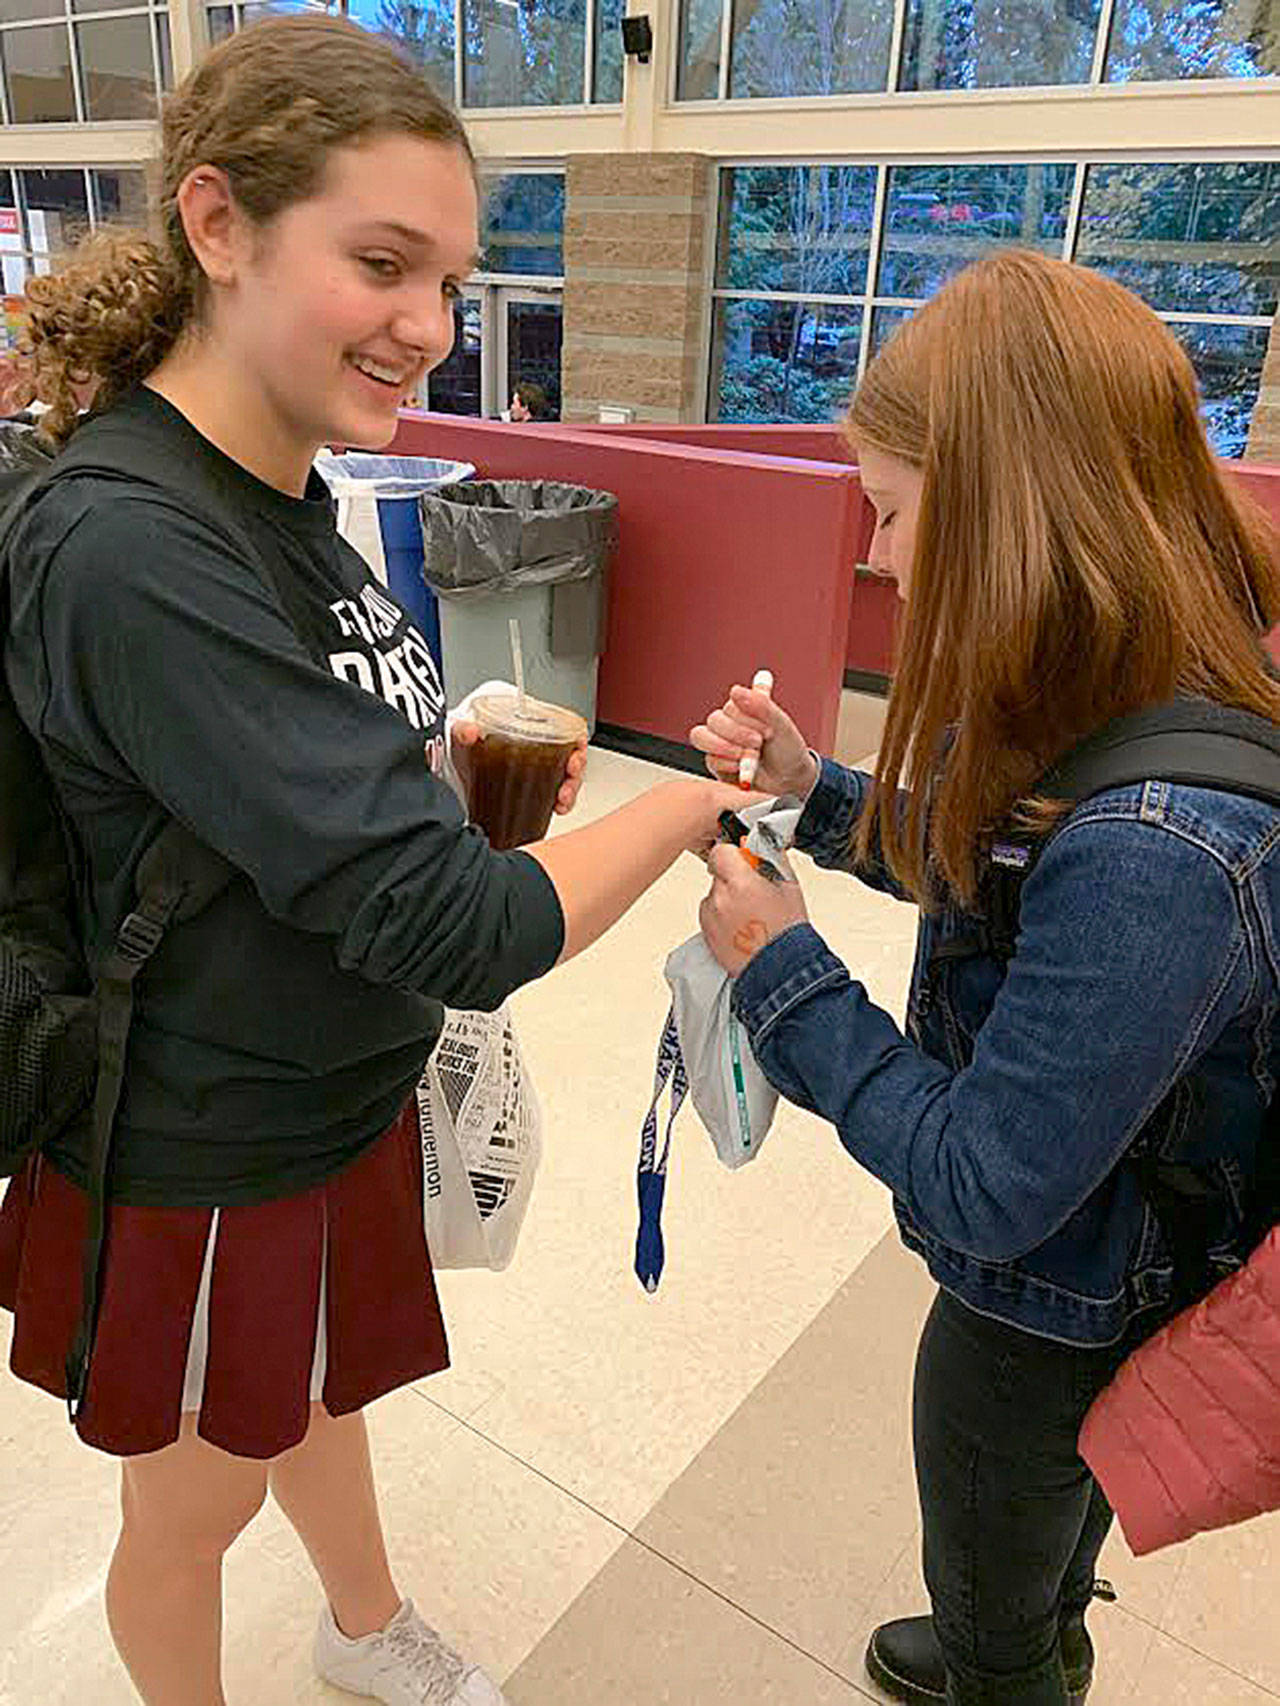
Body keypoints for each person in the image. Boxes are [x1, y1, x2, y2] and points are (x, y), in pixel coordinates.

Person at [0, 18, 745, 1706]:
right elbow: (456, 923)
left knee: (316, 1387)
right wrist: (688, 806)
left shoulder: (287, 493)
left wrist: (436, 779)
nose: (433, 325)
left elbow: (277, 793)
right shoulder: (133, 543)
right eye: (384, 263)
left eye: (452, 281)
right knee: (195, 1500)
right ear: (217, 223)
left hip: (333, 1089)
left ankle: (360, 1622)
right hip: (201, 1135)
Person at [691, 249, 1280, 1706]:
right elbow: (1003, 871)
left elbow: (985, 1180)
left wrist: (785, 975)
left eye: (893, 510)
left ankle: (1009, 1662)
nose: (882, 557)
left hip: (1057, 1307)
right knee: (1044, 1525)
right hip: (1126, 1262)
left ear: (1009, 510)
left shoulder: (1160, 849)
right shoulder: (1126, 684)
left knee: (994, 1582)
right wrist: (818, 791)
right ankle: (1034, 1629)